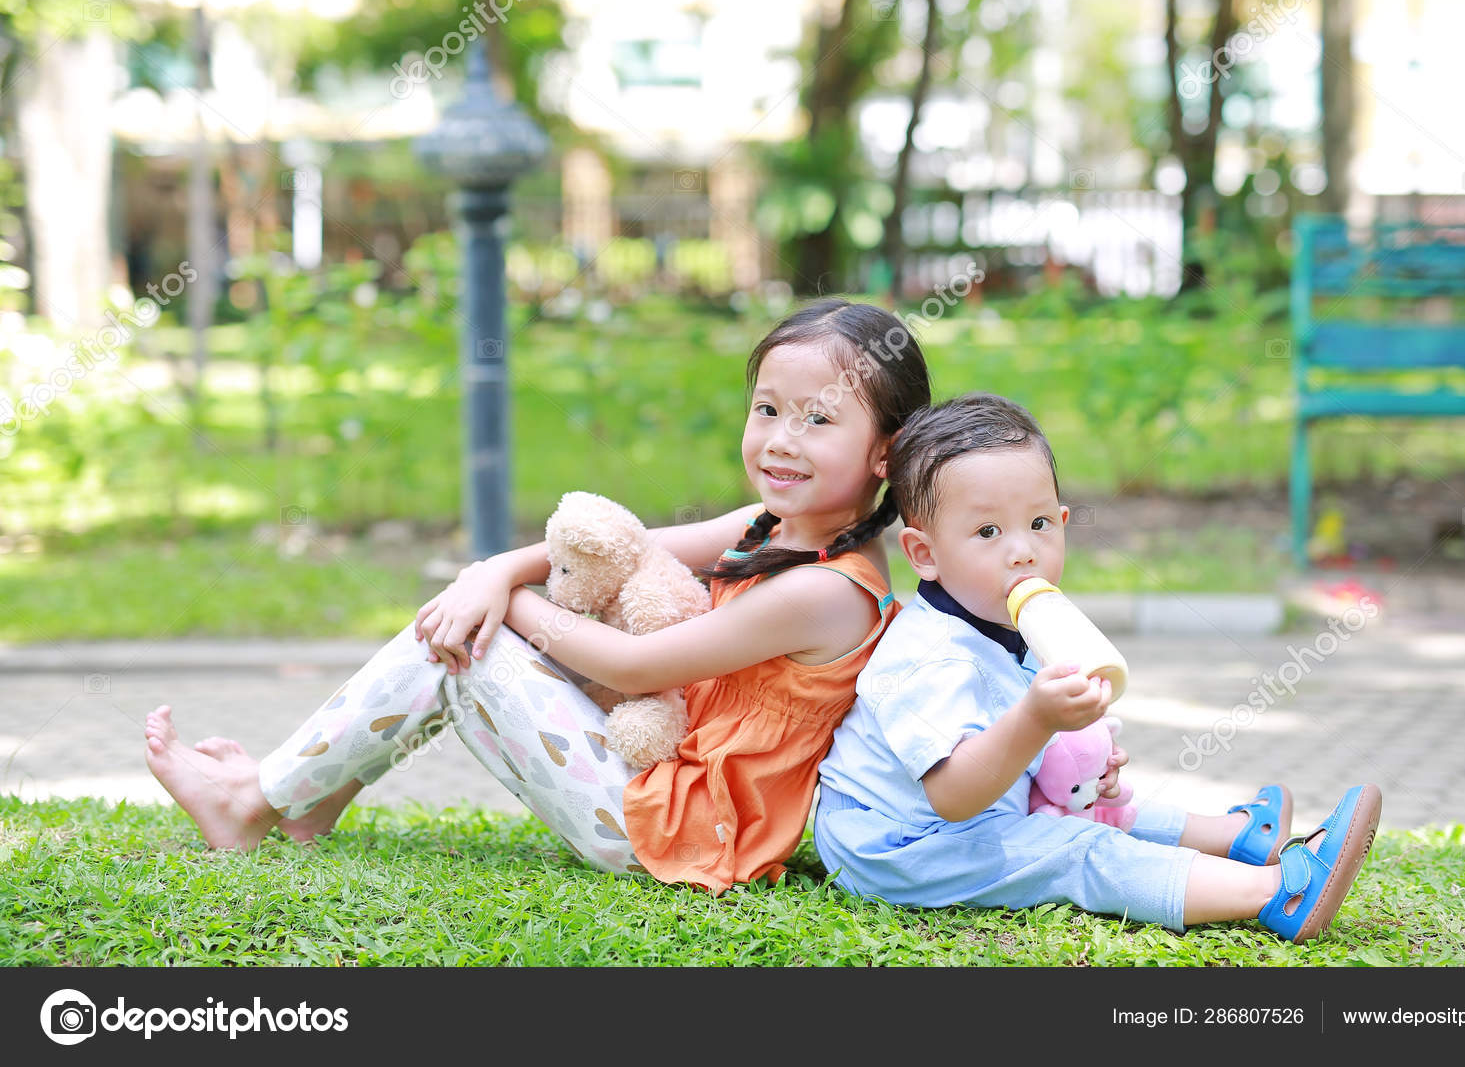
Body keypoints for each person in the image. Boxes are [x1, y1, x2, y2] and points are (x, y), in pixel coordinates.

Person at [144, 298, 932, 893]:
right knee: (469, 625)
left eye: (818, 419)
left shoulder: (831, 589)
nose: (780, 438)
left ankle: (253, 802)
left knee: (468, 648)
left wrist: (504, 600)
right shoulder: (768, 523)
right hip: (656, 783)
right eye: (766, 409)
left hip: (670, 829)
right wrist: (494, 569)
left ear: (884, 452)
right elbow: (626, 546)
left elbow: (630, 666)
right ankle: (306, 801)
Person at [813, 392, 1381, 942]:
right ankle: (1276, 890)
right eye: (987, 532)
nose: (1022, 550)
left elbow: (1028, 750)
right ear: (924, 553)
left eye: (1038, 524)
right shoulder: (929, 657)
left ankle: (1237, 835)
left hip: (977, 808)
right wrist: (1037, 720)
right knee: (1078, 848)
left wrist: (1090, 766)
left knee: (1106, 806)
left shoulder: (1015, 623)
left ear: (1062, 521)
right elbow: (954, 793)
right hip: (899, 843)